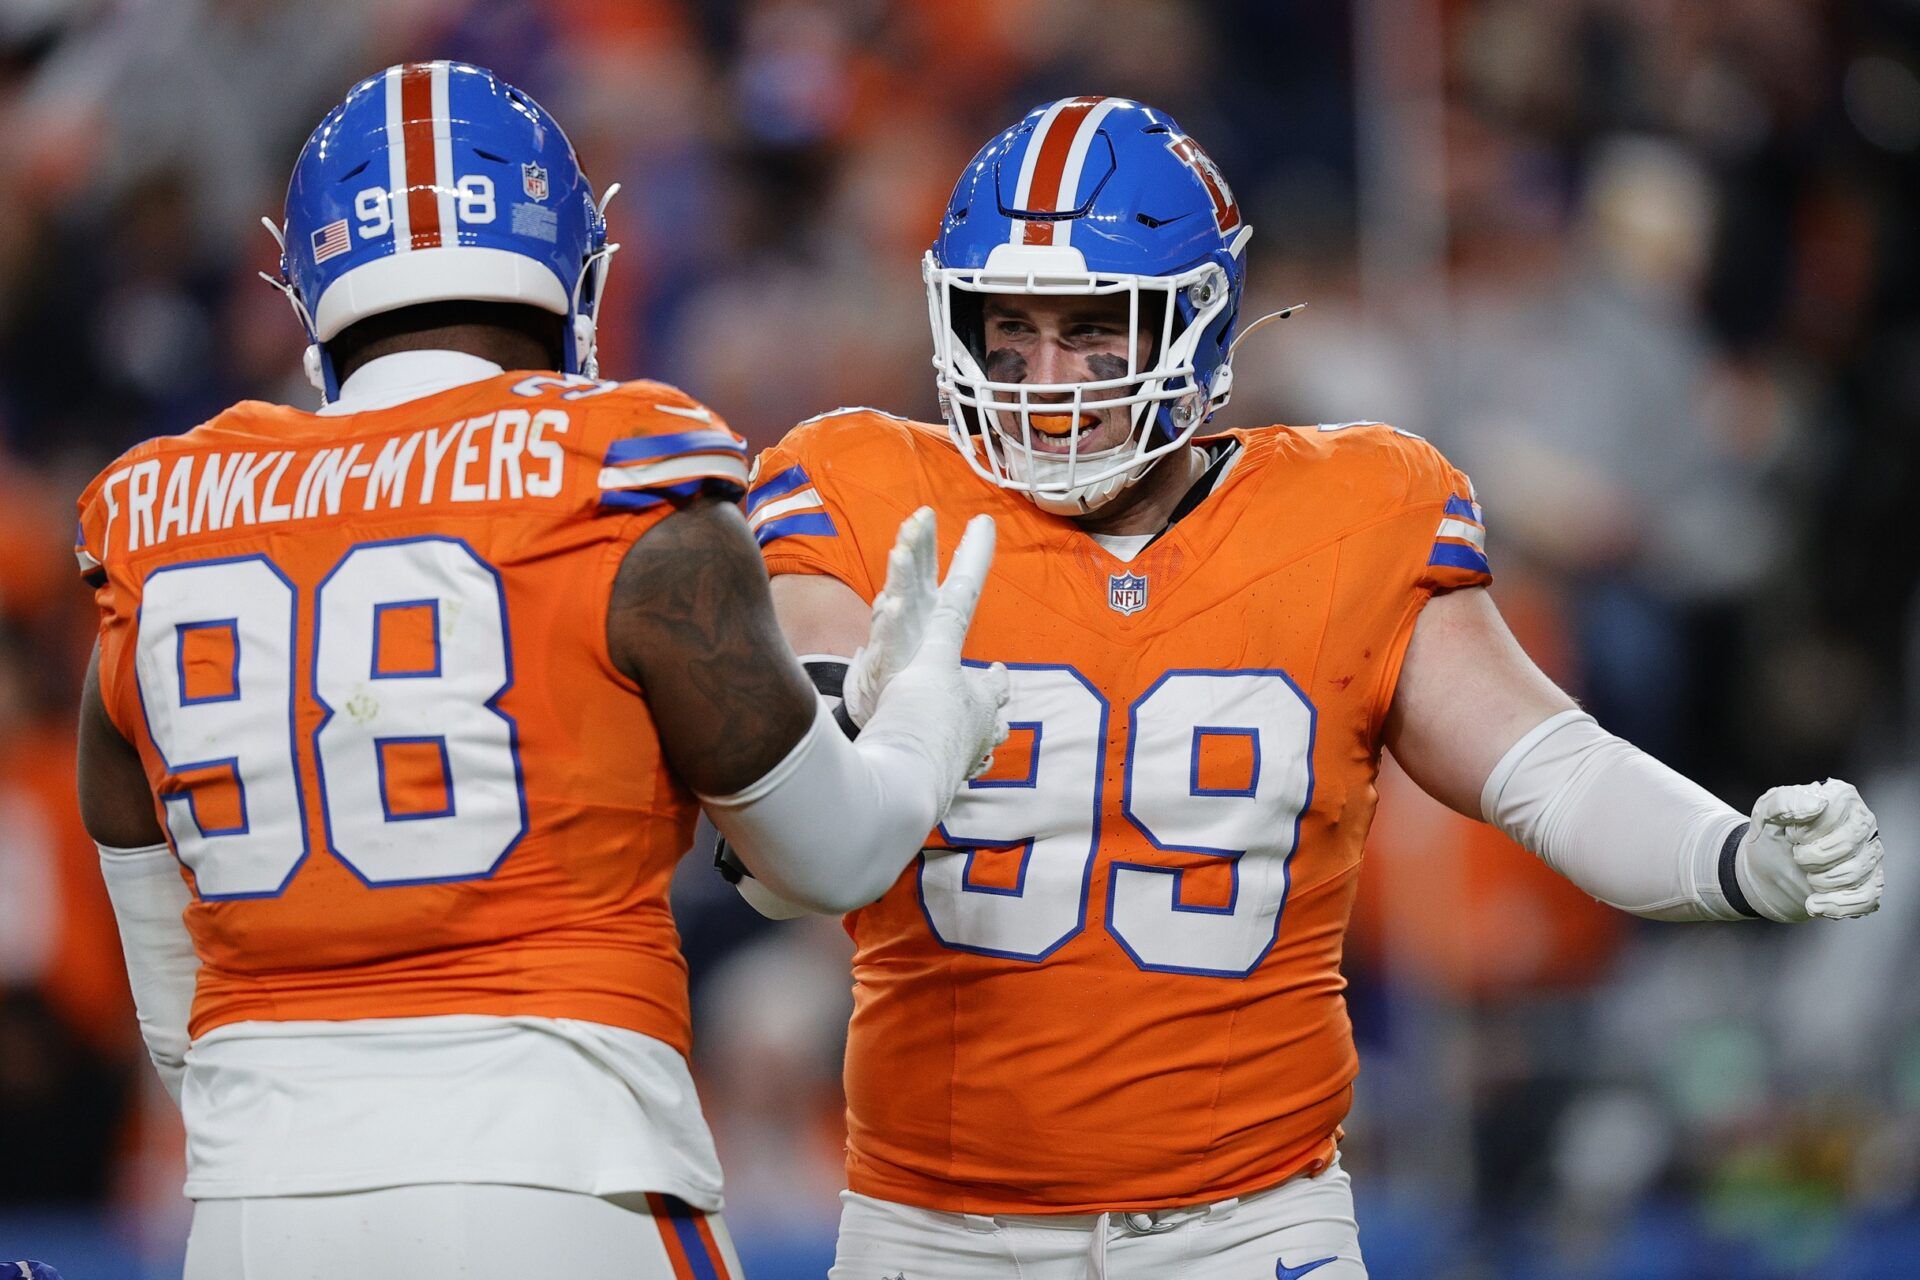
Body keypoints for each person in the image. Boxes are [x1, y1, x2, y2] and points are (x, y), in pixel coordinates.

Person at [731, 96, 1888, 1277]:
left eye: (1095, 330)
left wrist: (1737, 854)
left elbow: (1551, 766)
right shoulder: (869, 489)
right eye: (1006, 330)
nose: (1044, 376)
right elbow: (780, 849)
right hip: (934, 1224)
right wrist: (844, 729)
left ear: (1197, 324)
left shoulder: (1354, 511)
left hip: (1246, 1224)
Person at [73, 60, 1007, 1280]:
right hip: (566, 1172)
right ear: (573, 264)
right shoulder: (620, 477)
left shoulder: (158, 519)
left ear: (308, 282)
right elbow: (831, 857)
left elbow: (175, 1022)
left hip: (259, 1203)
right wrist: (930, 718)